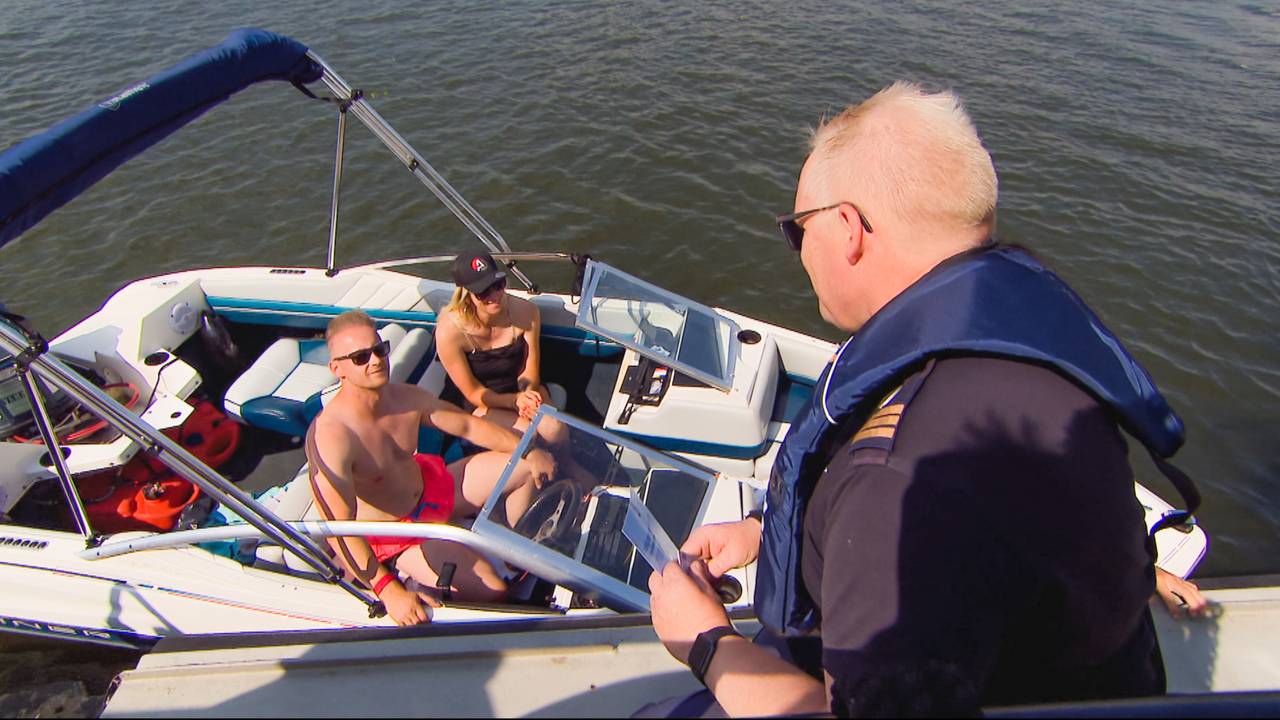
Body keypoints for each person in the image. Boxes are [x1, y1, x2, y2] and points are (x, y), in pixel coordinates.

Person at [647, 81, 1202, 716]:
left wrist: (707, 642)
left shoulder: (894, 481)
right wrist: (764, 532)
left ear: (848, 229)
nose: (799, 252)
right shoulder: (1040, 356)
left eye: (797, 229)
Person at [307, 309, 557, 626]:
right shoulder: (333, 436)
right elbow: (337, 527)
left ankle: (512, 544)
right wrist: (389, 591)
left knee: (525, 469)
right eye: (360, 357)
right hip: (399, 533)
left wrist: (529, 449)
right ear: (337, 368)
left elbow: (468, 427)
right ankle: (414, 577)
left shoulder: (404, 398)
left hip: (432, 487)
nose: (374, 360)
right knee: (493, 590)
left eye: (379, 349)